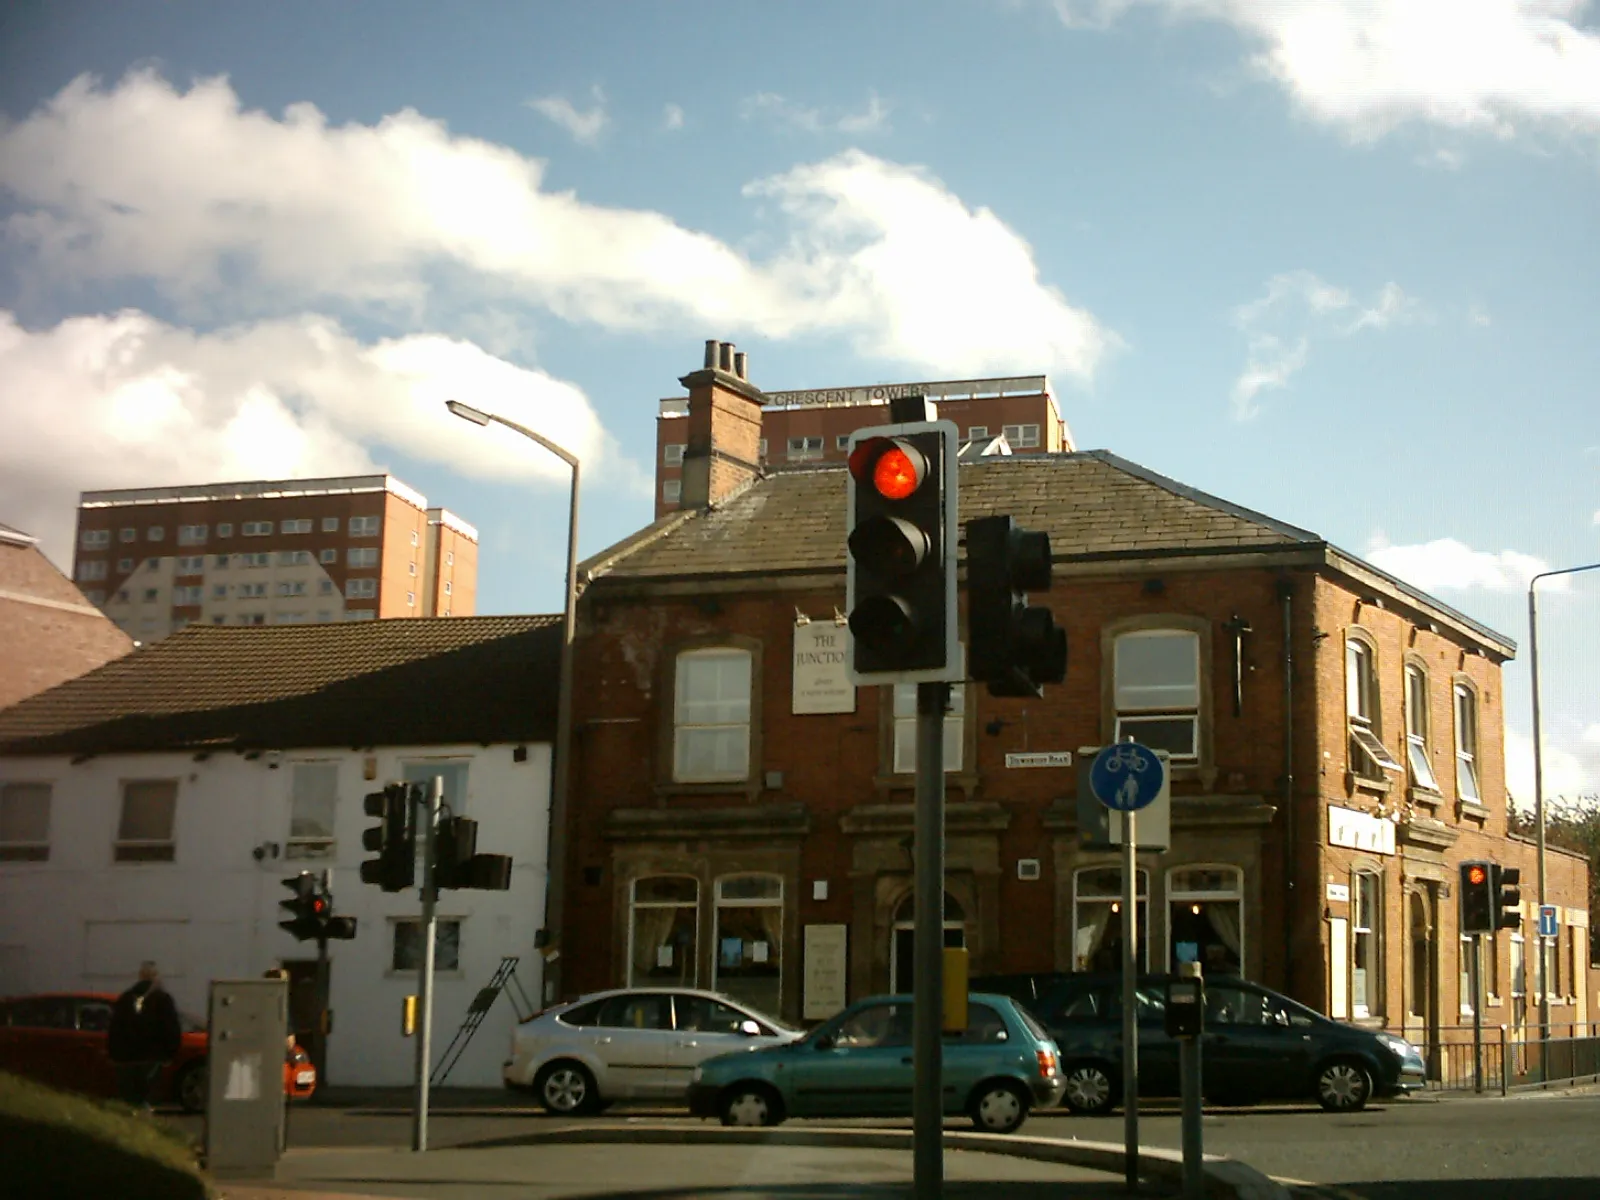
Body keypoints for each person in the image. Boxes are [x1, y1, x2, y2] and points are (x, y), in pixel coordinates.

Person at [108, 961, 182, 1113]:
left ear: (140, 976)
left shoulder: (125, 998)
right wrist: (169, 1054)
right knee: (147, 1099)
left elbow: (115, 1029)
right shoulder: (163, 999)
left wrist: (114, 1054)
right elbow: (171, 1028)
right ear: (156, 977)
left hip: (125, 1059)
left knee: (129, 1101)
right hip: (151, 1058)